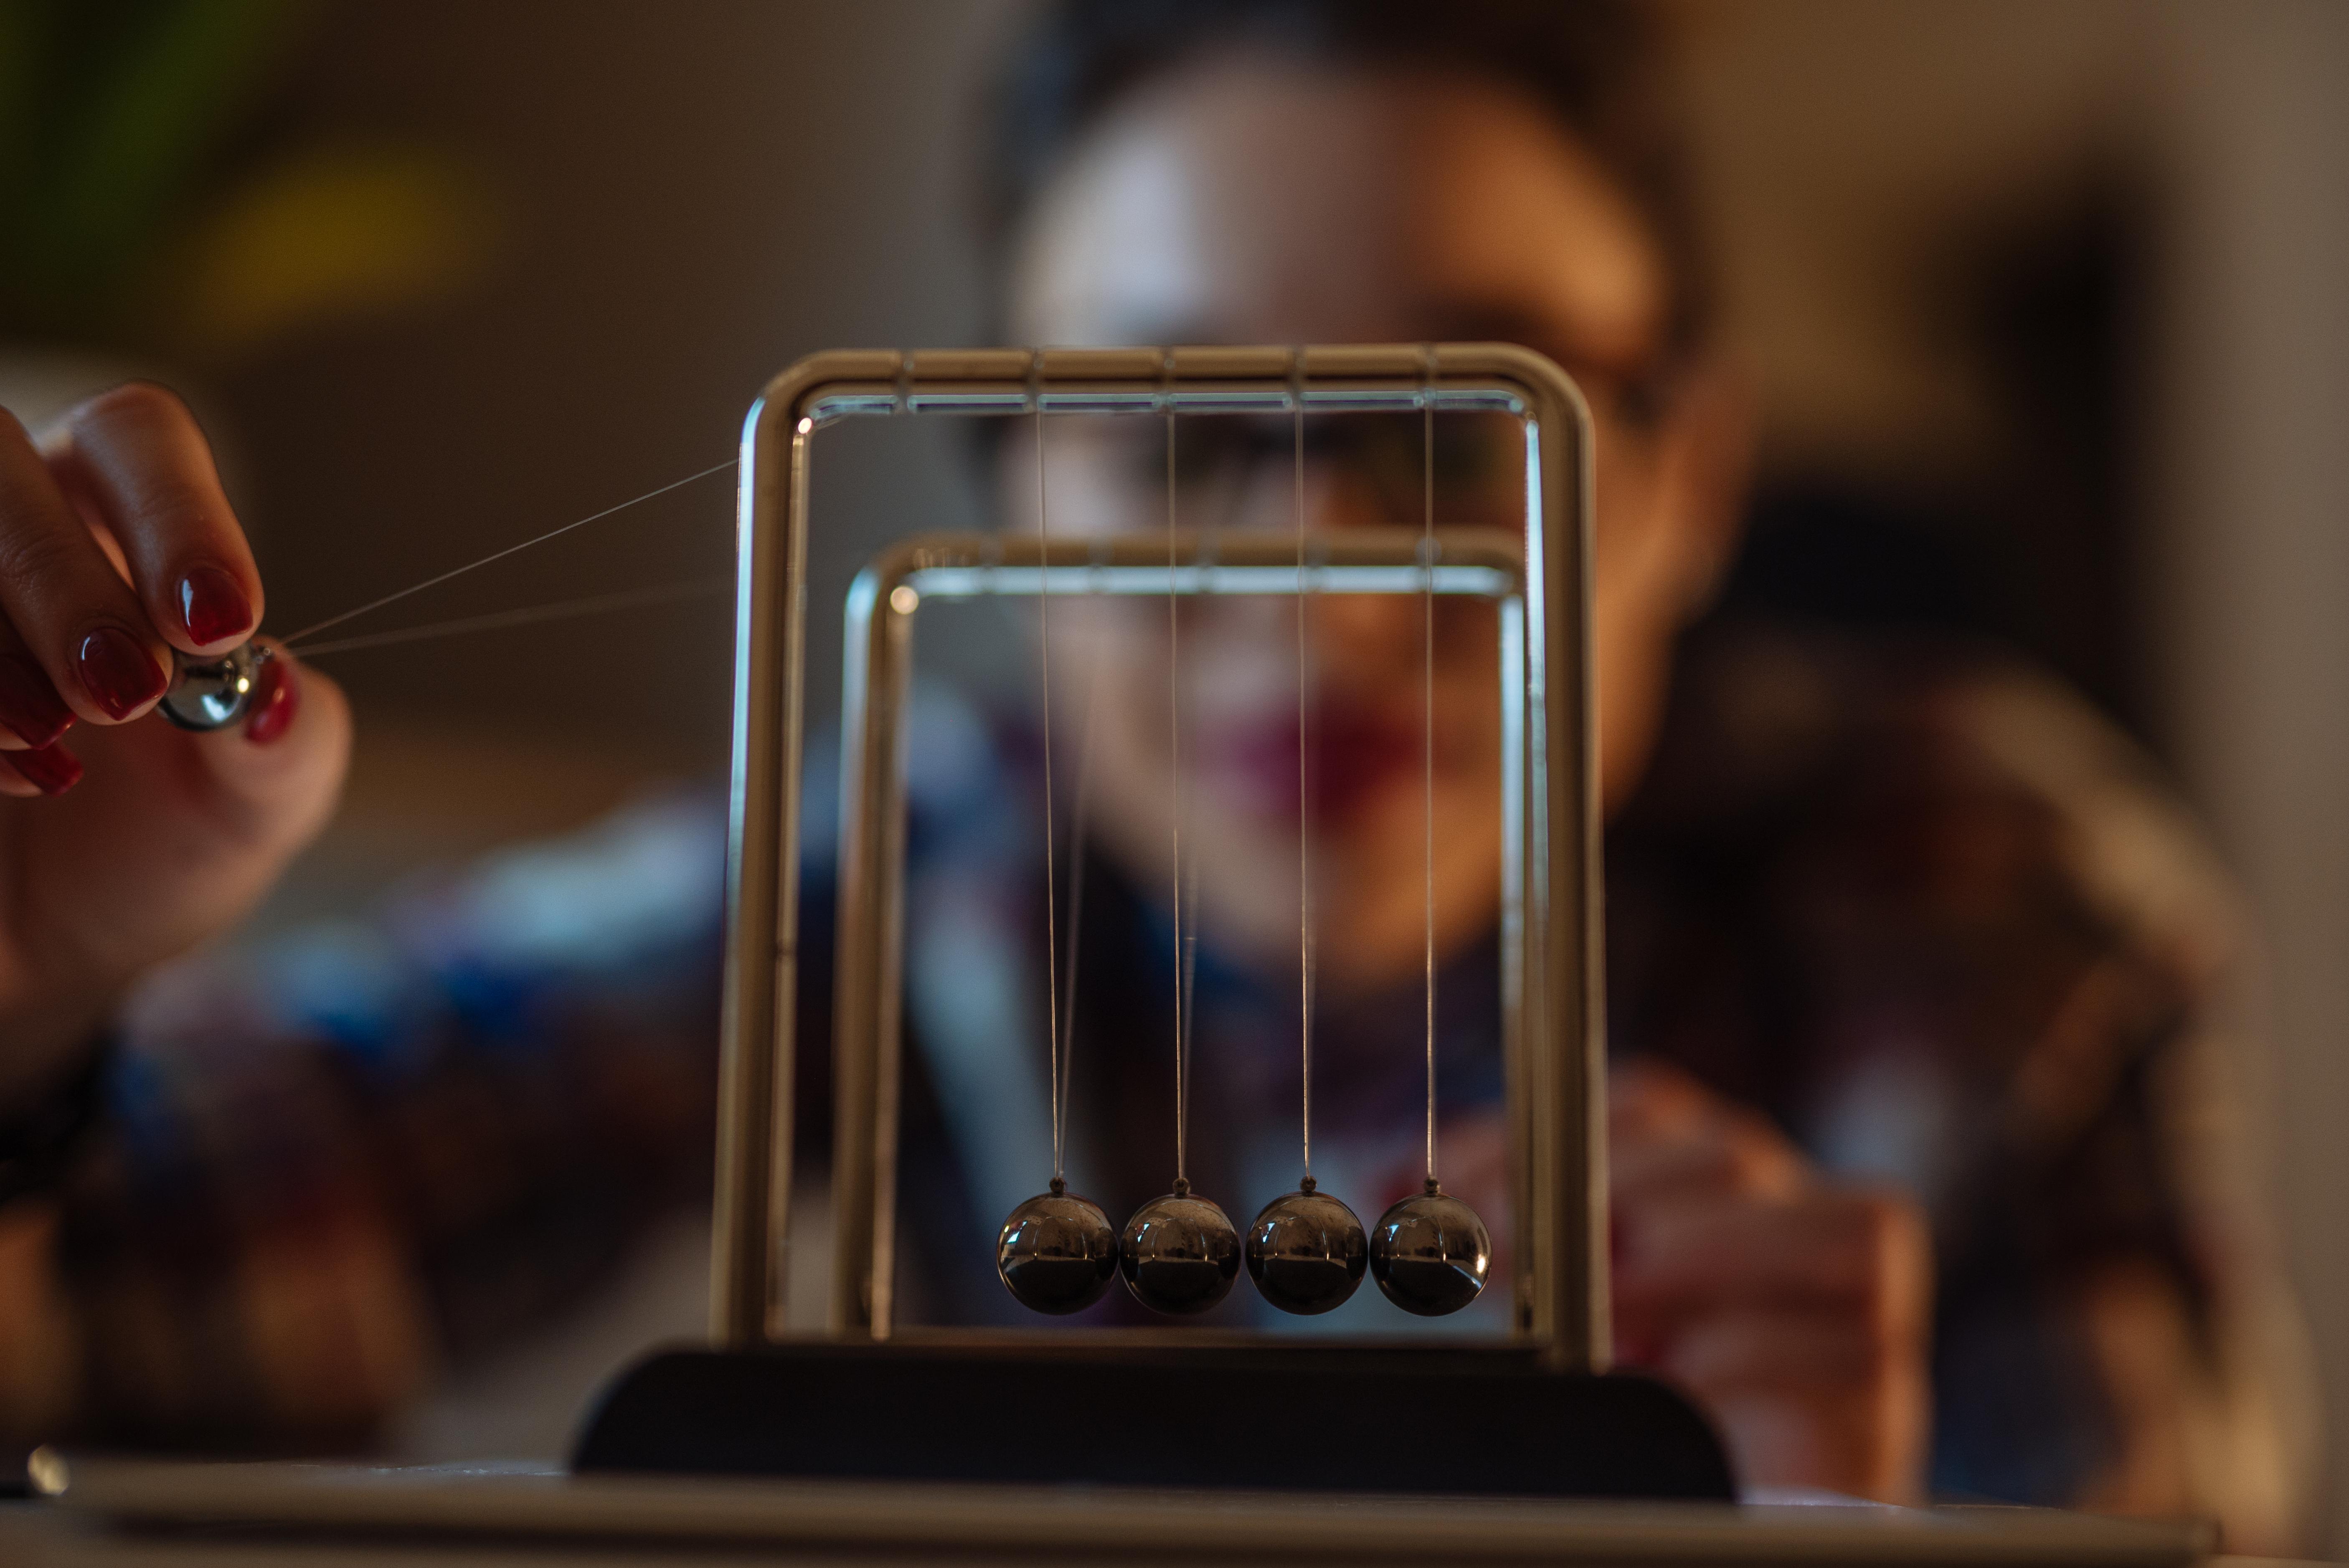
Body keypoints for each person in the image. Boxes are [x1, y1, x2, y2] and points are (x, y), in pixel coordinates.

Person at [0, 0, 2309, 1544]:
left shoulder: (1984, 902)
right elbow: (135, 1302)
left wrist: (1811, 1539)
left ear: (1687, 476)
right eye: (1183, 429)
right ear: (1011, 488)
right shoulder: (897, 875)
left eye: (1444, 420)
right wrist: (30, 1004)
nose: (1309, 590)